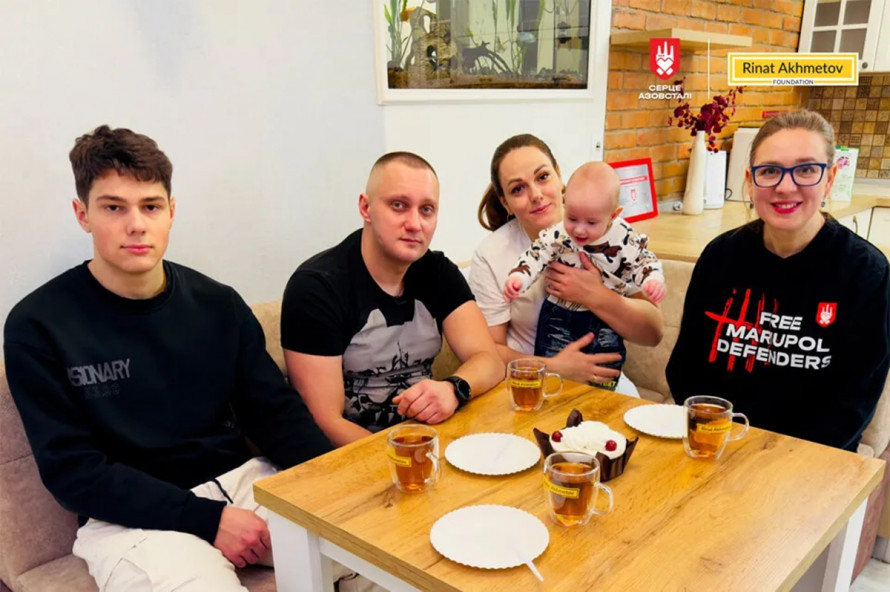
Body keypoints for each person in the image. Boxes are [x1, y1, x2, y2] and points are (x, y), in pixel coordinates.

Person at [3, 125, 333, 592]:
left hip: (242, 484)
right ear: (82, 214)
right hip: (127, 520)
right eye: (114, 207)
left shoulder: (218, 304)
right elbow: (73, 472)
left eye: (151, 206)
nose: (136, 224)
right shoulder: (37, 326)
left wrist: (341, 484)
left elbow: (277, 415)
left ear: (171, 212)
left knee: (380, 553)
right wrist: (206, 519)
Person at [666, 109, 890, 451]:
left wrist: (775, 459)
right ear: (750, 180)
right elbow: (685, 369)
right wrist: (717, 439)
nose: (786, 187)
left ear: (830, 179)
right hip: (718, 447)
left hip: (812, 460)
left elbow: (854, 403)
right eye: (770, 171)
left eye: (806, 170)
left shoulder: (865, 271)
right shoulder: (720, 256)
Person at [280, 152, 504, 447]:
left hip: (429, 441)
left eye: (426, 209)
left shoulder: (438, 272)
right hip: (356, 455)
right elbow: (325, 422)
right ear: (366, 207)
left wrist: (453, 389)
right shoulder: (316, 288)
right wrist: (406, 458)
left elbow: (490, 361)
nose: (415, 224)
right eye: (399, 205)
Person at [469, 134, 664, 392]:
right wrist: (554, 367)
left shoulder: (611, 232)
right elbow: (488, 353)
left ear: (559, 176)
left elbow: (653, 334)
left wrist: (595, 295)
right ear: (505, 202)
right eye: (518, 189)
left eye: (543, 177)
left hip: (608, 386)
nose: (536, 195)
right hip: (535, 387)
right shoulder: (491, 255)